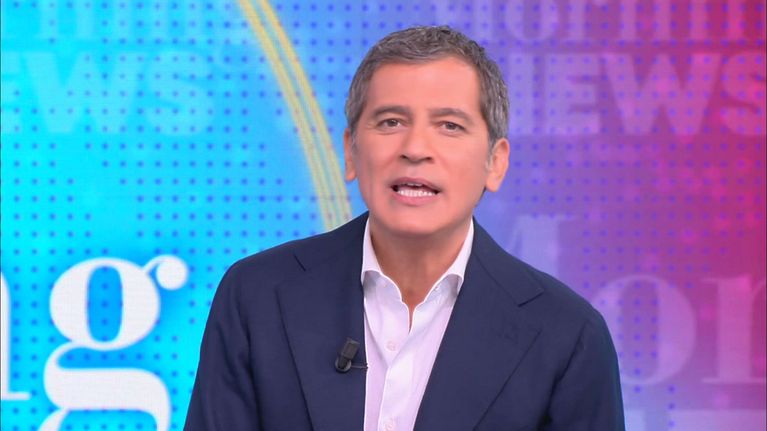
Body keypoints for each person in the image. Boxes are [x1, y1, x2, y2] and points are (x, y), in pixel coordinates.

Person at [184, 26, 625, 431]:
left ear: (495, 162)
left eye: (449, 126)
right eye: (391, 122)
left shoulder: (567, 336)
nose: (415, 149)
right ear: (351, 152)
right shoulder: (257, 295)